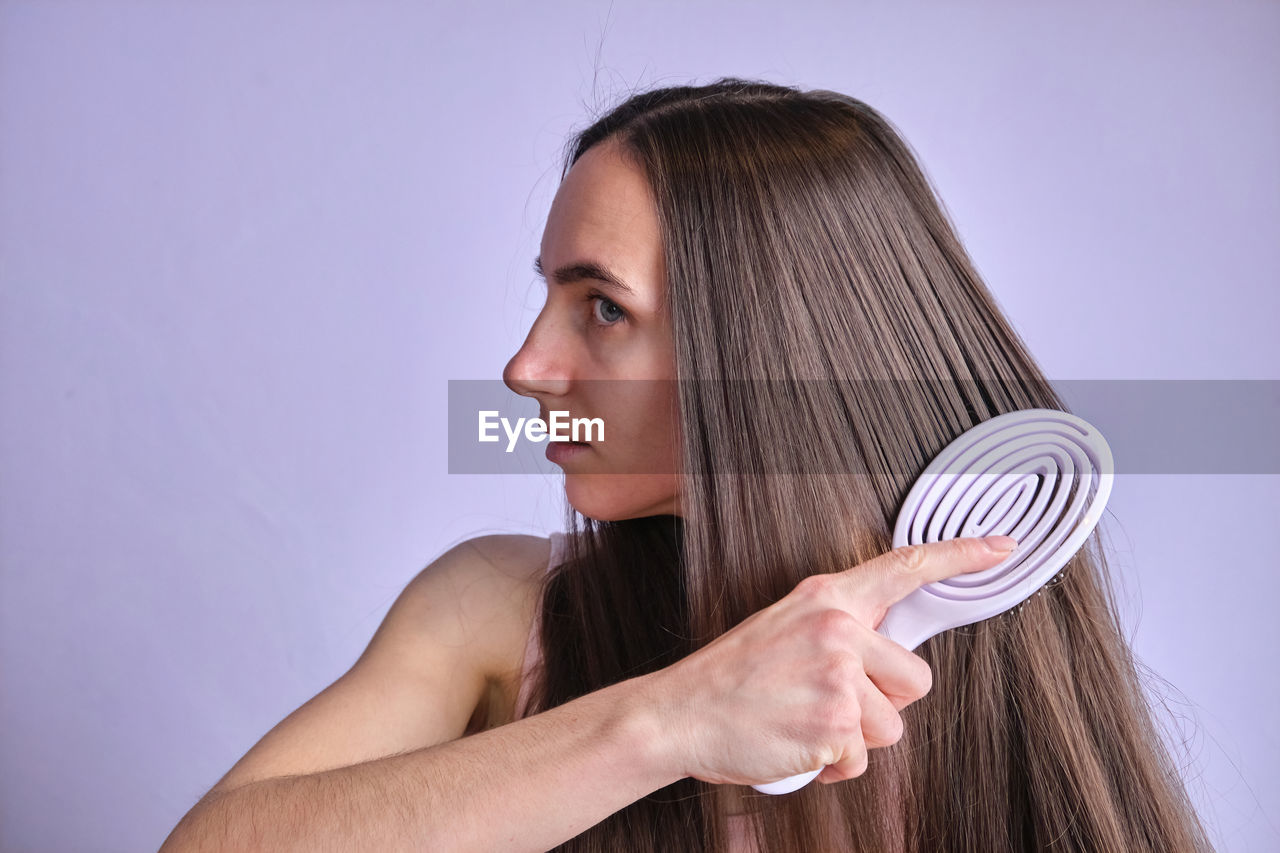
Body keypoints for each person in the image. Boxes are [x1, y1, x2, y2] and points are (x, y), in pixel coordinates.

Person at [160, 78, 1214, 852]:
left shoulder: (988, 636)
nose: (525, 366)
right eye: (550, 298)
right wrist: (665, 720)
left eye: (602, 308)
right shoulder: (493, 610)